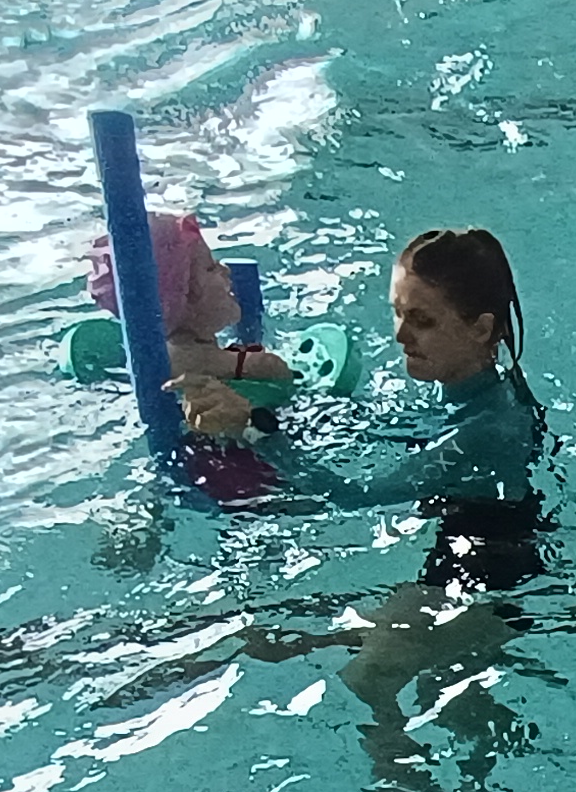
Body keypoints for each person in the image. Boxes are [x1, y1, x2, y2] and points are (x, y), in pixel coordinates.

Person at [191, 228, 551, 761]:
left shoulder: (487, 429)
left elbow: (355, 496)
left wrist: (254, 429)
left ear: (480, 329)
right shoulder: (481, 388)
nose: (401, 335)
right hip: (474, 561)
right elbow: (411, 432)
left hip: (483, 587)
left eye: (422, 321)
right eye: (398, 313)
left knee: (365, 683)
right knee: (451, 703)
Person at [88, 209, 298, 389]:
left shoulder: (150, 362)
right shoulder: (259, 366)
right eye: (210, 268)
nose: (225, 270)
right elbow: (285, 385)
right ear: (182, 299)